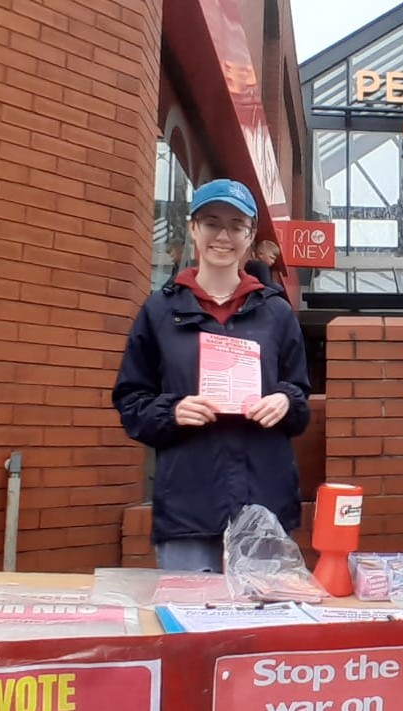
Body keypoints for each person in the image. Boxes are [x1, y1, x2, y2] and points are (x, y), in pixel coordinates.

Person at [113, 178, 311, 572]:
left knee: (263, 624)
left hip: (263, 505)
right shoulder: (158, 312)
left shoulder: (276, 313)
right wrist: (172, 411)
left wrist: (285, 401)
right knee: (192, 625)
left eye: (236, 226)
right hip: (189, 504)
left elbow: (300, 398)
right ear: (193, 229)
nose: (223, 236)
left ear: (251, 235)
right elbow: (131, 401)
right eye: (211, 223)